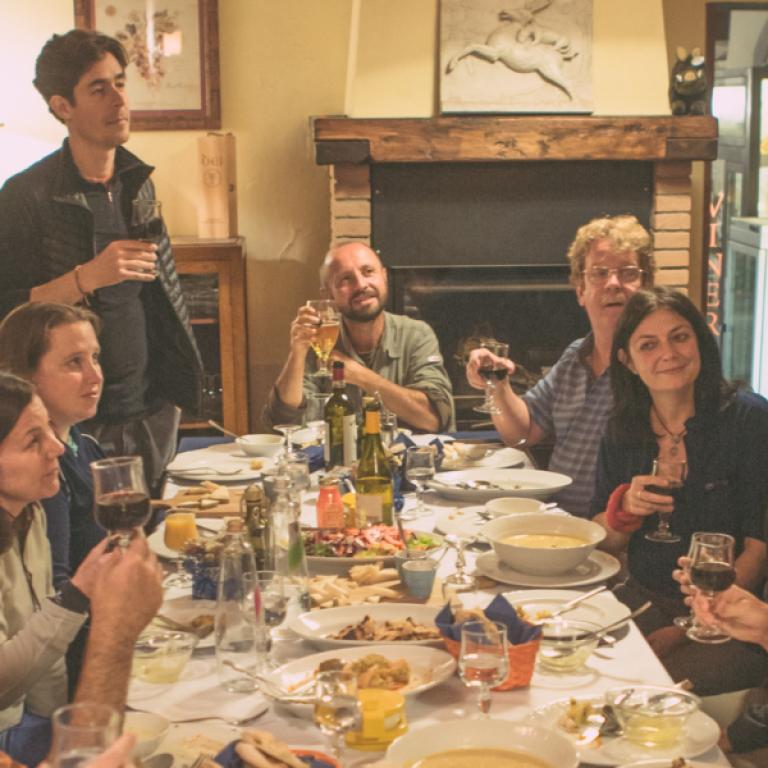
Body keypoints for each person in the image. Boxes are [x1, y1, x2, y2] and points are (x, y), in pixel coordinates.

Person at [0, 29, 202, 493]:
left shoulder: (138, 182)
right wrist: (86, 278)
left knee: (150, 546)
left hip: (151, 409)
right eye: (99, 88)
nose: (119, 99)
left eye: (121, 82)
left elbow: (163, 295)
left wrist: (175, 396)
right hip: (76, 422)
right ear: (62, 107)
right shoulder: (24, 195)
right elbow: (7, 308)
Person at [592, 286, 768, 694]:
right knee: (569, 657)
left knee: (640, 691)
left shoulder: (749, 422)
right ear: (628, 361)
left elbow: (758, 552)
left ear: (700, 342)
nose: (668, 353)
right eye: (648, 345)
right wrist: (625, 510)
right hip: (641, 597)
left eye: (680, 336)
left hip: (731, 618)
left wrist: (689, 627)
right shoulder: (622, 429)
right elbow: (604, 543)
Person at [0, 372, 153, 765]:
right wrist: (83, 598)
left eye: (49, 431)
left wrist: (62, 725)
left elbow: (46, 659)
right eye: (32, 441)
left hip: (28, 723)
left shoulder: (29, 513)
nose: (55, 448)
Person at [466, 214, 655, 517]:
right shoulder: (574, 358)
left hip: (616, 531)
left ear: (646, 285)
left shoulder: (653, 368)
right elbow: (522, 433)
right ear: (581, 290)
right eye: (600, 273)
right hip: (555, 519)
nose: (613, 283)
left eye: (628, 272)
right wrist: (497, 385)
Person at [0, 302, 108, 696]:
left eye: (96, 357)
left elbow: (47, 608)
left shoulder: (81, 447)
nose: (96, 375)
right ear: (26, 376)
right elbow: (64, 598)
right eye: (74, 362)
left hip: (47, 697)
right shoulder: (43, 487)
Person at [264, 241, 454, 432]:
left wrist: (361, 376)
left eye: (368, 271)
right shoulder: (319, 339)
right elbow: (282, 423)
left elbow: (435, 419)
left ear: (384, 276)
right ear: (328, 293)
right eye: (346, 279)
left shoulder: (416, 334)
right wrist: (297, 353)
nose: (361, 285)